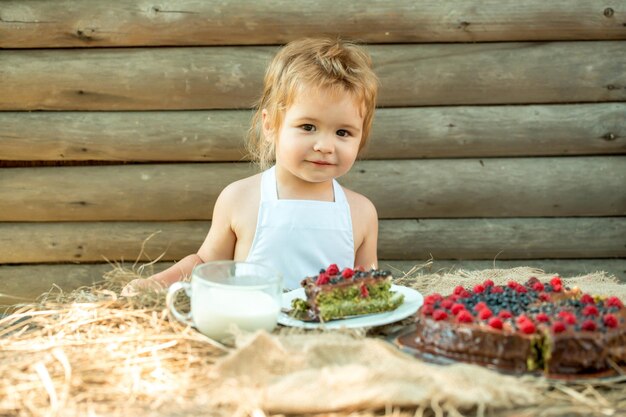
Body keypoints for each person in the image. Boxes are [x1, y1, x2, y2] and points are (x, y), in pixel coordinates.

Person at [122, 37, 379, 294]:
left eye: (343, 133)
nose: (325, 145)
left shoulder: (361, 212)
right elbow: (205, 264)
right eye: (308, 127)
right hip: (251, 328)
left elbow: (370, 291)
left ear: (361, 137)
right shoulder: (240, 198)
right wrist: (154, 284)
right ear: (270, 126)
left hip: (327, 334)